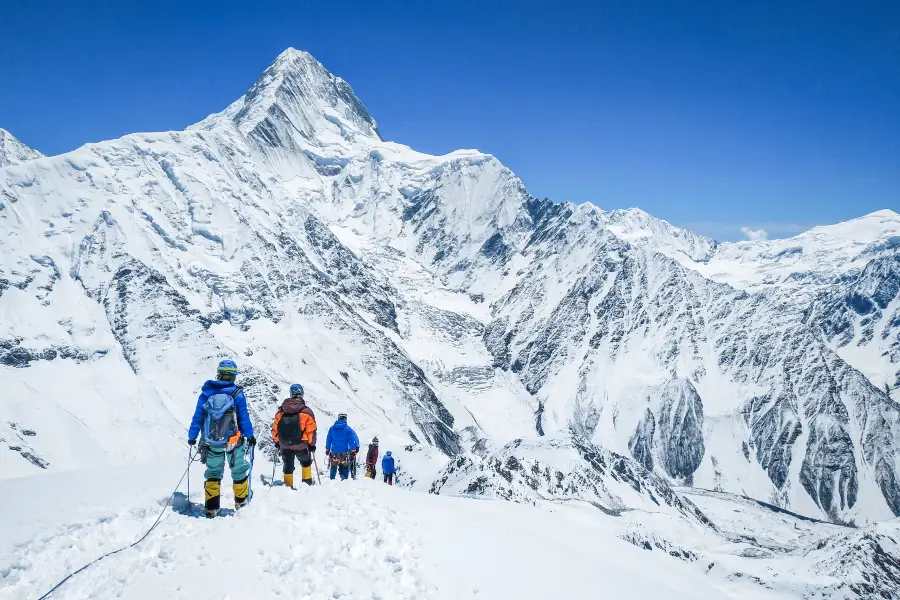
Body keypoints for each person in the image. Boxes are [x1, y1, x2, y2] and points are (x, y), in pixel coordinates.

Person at [188, 360, 256, 518]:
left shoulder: (206, 394)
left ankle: (211, 508)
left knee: (213, 472)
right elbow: (243, 418)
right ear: (233, 376)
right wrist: (250, 435)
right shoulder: (237, 394)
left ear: (218, 375)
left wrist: (192, 437)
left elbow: (197, 418)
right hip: (234, 441)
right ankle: (242, 503)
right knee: (238, 470)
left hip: (212, 442)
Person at [271, 384, 317, 488]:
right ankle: (307, 485)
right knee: (306, 462)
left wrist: (277, 442)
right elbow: (311, 431)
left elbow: (275, 429)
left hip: (285, 444)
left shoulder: (281, 411)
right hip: (302, 444)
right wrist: (312, 444)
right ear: (302, 394)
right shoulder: (307, 412)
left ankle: (288, 486)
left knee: (287, 466)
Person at [324, 413, 359, 481]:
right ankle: (344, 481)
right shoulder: (348, 429)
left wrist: (327, 449)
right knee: (345, 466)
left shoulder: (332, 428)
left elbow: (328, 439)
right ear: (345, 419)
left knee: (333, 466)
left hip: (334, 452)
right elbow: (351, 442)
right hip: (344, 453)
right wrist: (353, 451)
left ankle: (332, 480)